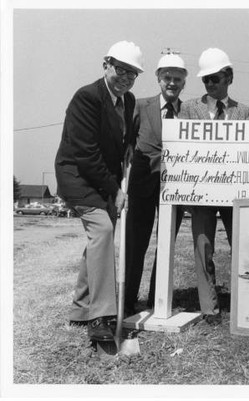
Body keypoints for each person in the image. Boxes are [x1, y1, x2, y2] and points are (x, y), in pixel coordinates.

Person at [54, 41, 144, 342]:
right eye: (121, 70)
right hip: (78, 176)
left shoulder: (128, 101)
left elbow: (124, 137)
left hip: (105, 179)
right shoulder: (87, 97)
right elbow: (85, 154)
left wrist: (130, 144)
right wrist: (115, 190)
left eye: (132, 74)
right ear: (106, 65)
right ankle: (100, 316)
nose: (125, 79)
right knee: (103, 230)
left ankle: (80, 308)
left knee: (99, 241)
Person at [179, 48, 249, 324]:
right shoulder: (188, 108)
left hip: (233, 193)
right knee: (203, 247)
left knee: (241, 247)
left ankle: (244, 301)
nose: (210, 84)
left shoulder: (242, 111)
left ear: (229, 76)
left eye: (215, 79)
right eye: (206, 80)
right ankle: (209, 308)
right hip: (201, 192)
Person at [124, 52, 187, 315]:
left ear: (184, 82)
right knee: (135, 243)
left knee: (166, 244)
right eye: (167, 78)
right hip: (142, 187)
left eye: (177, 79)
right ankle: (127, 301)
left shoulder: (189, 112)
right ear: (158, 79)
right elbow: (126, 142)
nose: (172, 83)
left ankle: (156, 299)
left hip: (175, 189)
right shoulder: (140, 106)